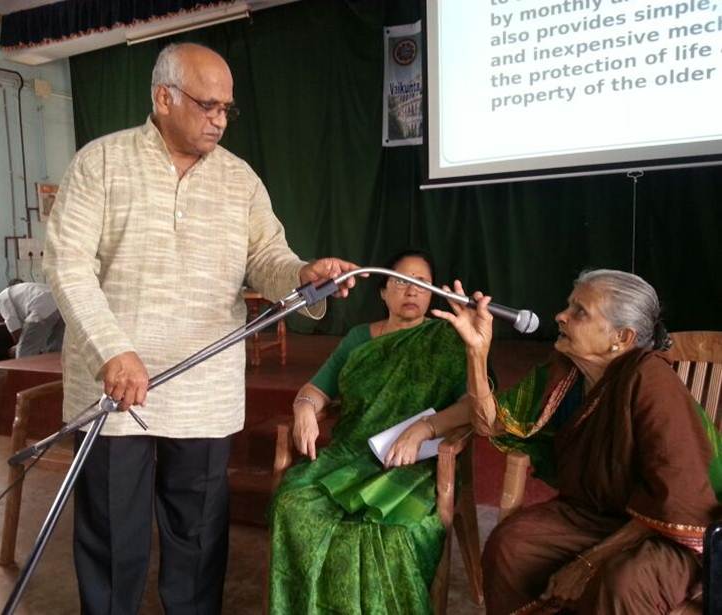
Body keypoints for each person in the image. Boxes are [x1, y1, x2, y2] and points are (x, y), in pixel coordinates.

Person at [43, 43, 359, 615]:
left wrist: (304, 275)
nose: (219, 119)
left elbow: (270, 259)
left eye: (226, 109)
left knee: (197, 539)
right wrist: (112, 350)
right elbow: (66, 263)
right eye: (208, 105)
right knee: (114, 538)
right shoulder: (101, 162)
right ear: (163, 98)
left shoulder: (241, 181)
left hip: (203, 389)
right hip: (114, 388)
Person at [433, 269, 722, 614]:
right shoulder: (565, 374)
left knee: (622, 583)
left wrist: (588, 563)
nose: (561, 315)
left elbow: (680, 499)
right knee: (511, 546)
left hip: (663, 532)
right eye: (569, 306)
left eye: (579, 311)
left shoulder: (650, 378)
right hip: (594, 515)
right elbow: (489, 424)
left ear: (622, 337)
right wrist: (477, 353)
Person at [269, 250, 475, 614]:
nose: (411, 291)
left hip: (414, 466)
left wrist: (422, 430)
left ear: (431, 295)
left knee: (391, 533)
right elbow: (317, 389)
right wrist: (303, 408)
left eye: (421, 284)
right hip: (350, 457)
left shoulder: (448, 340)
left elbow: (472, 405)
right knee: (295, 508)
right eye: (400, 282)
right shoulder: (359, 337)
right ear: (382, 292)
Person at [0, 279, 64, 358]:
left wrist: (18, 347)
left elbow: (15, 329)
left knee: (25, 352)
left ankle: (23, 370)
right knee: (55, 349)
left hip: (42, 306)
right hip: (61, 304)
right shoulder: (17, 291)